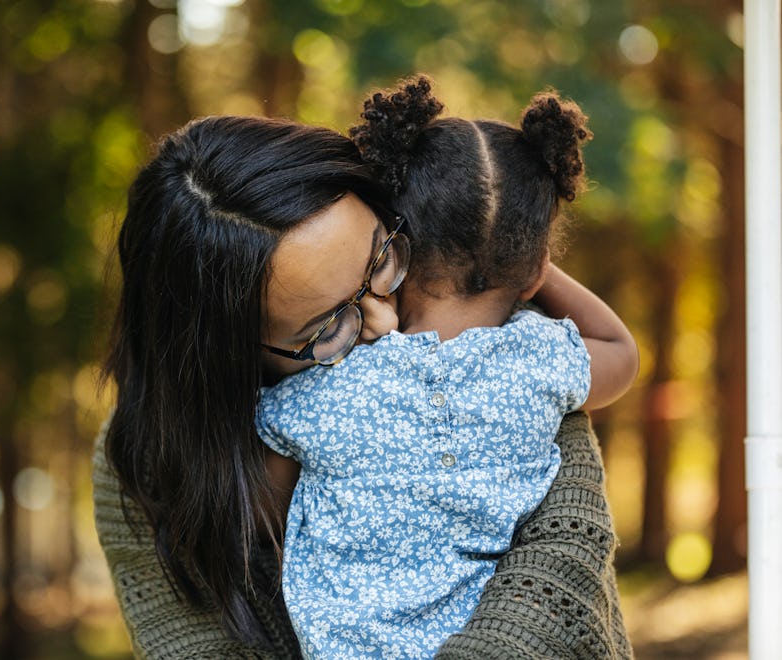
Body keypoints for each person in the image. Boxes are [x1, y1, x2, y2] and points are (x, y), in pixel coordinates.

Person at [92, 105, 635, 658]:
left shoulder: (520, 368)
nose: (388, 323)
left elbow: (551, 586)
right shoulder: (143, 470)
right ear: (226, 359)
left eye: (382, 258)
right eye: (329, 324)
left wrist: (499, 246)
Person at [254, 77, 638, 658]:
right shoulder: (542, 360)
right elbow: (621, 350)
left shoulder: (322, 387)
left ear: (394, 243)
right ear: (535, 270)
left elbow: (262, 512)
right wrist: (532, 266)